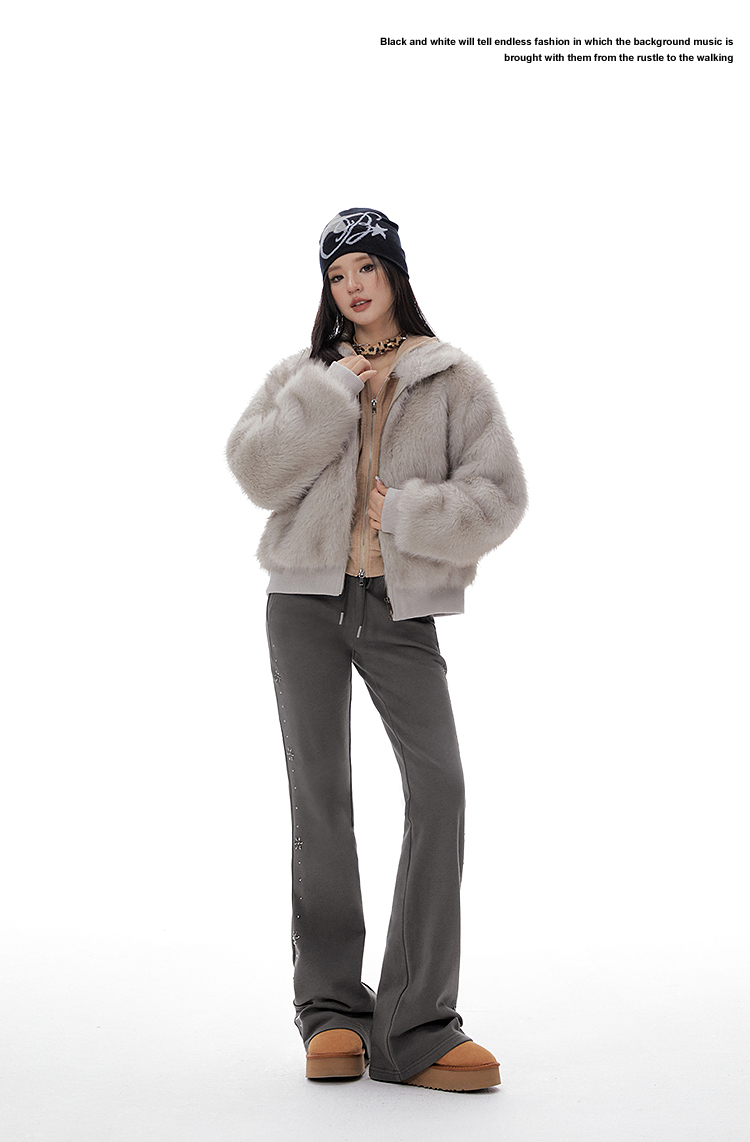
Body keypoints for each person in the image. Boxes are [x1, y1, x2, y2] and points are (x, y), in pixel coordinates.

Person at [226, 207, 528, 1091]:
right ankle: (330, 1011)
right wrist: (329, 394)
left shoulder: (450, 376)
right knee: (321, 804)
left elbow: (500, 495)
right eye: (336, 274)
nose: (353, 285)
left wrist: (408, 513)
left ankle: (415, 1025)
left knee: (440, 791)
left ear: (395, 272)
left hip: (400, 609)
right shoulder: (304, 374)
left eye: (366, 266)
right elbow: (255, 472)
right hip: (302, 604)